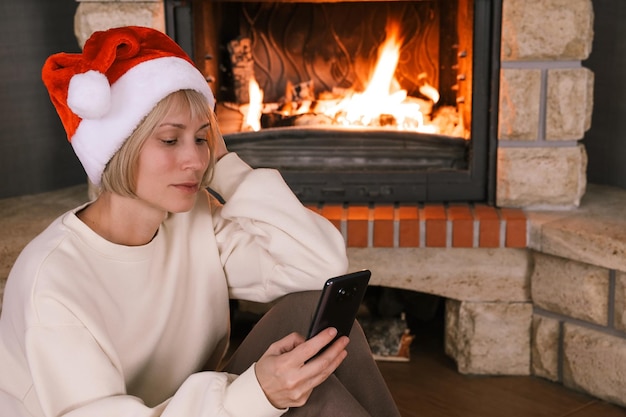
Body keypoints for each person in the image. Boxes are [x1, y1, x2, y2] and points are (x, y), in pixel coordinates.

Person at [0, 26, 401, 417]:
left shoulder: (192, 218)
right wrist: (259, 393)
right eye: (171, 140)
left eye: (202, 138)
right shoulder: (53, 284)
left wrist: (227, 167)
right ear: (117, 147)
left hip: (193, 407)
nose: (195, 160)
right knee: (314, 395)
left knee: (313, 313)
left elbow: (319, 266)